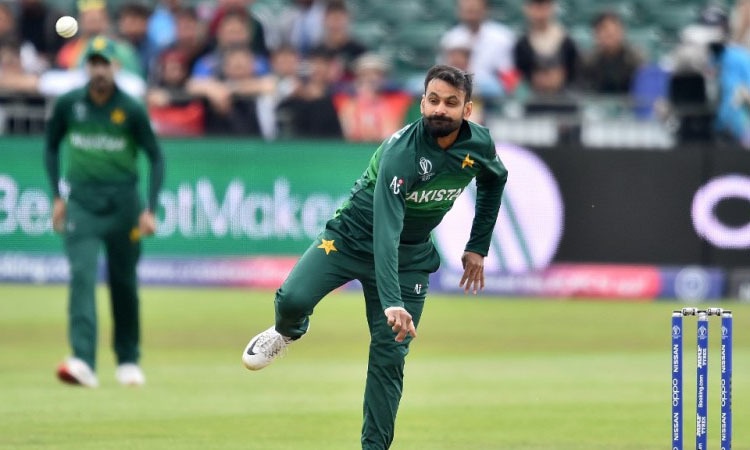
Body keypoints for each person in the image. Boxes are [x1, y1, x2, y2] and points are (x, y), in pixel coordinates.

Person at [241, 64, 508, 450]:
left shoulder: (478, 144)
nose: (439, 110)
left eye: (451, 103)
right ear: (421, 102)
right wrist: (392, 301)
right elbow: (387, 230)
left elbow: (495, 179)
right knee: (292, 300)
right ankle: (289, 330)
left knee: (390, 356)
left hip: (410, 257)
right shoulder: (403, 152)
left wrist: (478, 246)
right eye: (433, 100)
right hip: (350, 239)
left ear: (467, 110)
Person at [44, 35, 165, 388]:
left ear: (115, 67)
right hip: (82, 203)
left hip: (124, 204)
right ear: (86, 67)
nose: (99, 70)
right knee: (81, 276)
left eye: (105, 63)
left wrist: (150, 208)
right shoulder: (69, 104)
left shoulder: (130, 108)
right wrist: (57, 197)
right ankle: (82, 360)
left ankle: (128, 359)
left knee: (123, 283)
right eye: (93, 63)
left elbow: (155, 156)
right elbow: (51, 147)